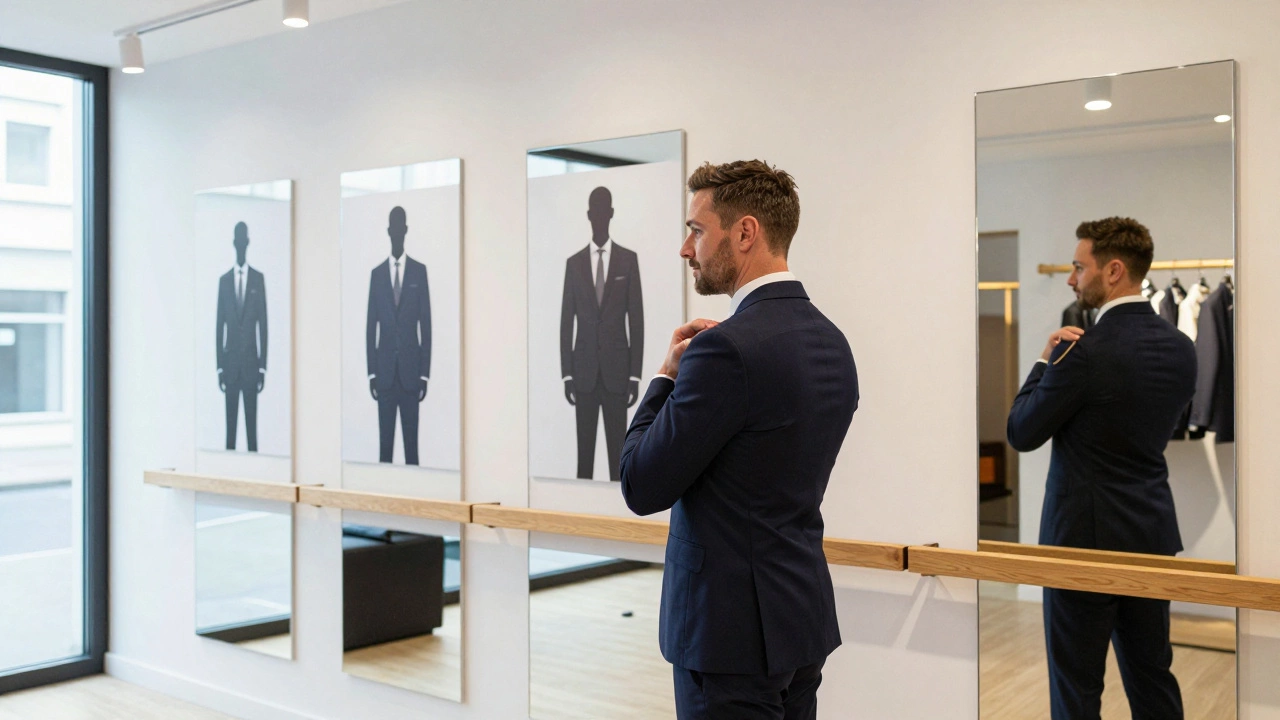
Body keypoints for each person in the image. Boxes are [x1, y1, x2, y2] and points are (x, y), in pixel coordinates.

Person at [619, 160, 858, 720]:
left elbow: (639, 483)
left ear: (745, 232)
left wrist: (665, 377)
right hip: (799, 621)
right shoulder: (832, 341)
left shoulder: (723, 351)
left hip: (727, 640)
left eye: (696, 231)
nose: (685, 248)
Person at [1007, 217, 1195, 720]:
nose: (1071, 279)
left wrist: (1045, 362)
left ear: (1113, 271)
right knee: (1153, 676)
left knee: (1077, 688)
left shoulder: (1081, 352)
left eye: (1078, 267)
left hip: (1081, 547)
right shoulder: (1182, 350)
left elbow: (1021, 432)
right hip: (1152, 538)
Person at [560, 186, 644, 481]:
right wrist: (567, 373)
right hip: (582, 374)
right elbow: (565, 322)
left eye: (603, 211)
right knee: (584, 460)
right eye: (594, 211)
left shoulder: (627, 260)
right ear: (588, 215)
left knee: (618, 460)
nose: (598, 217)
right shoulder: (574, 264)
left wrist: (635, 374)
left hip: (617, 374)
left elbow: (636, 320)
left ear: (610, 214)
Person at [366, 206, 432, 465]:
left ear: (405, 230)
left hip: (410, 375)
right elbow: (371, 327)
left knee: (411, 450)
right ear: (388, 231)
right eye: (392, 228)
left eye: (399, 228)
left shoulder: (419, 272)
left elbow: (425, 326)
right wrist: (372, 372)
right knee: (385, 451)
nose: (396, 233)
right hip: (384, 376)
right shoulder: (377, 274)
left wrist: (424, 373)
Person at [215, 221, 267, 452]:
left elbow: (263, 327)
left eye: (243, 240)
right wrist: (219, 367)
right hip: (231, 366)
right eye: (238, 241)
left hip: (250, 366)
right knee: (230, 435)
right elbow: (219, 328)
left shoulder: (258, 279)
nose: (241, 245)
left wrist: (263, 367)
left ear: (247, 242)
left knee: (252, 434)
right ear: (235, 243)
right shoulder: (224, 281)